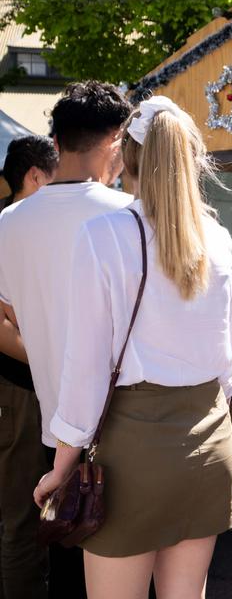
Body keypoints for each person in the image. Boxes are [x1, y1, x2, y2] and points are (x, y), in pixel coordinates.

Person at [32, 96, 232, 597]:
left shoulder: (103, 236)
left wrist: (61, 468)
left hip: (132, 457)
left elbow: (83, 370)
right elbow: (226, 364)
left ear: (126, 157)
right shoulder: (220, 240)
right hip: (210, 445)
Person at [0, 81, 134, 599]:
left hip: (53, 421)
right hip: (125, 418)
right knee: (117, 564)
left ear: (56, 143)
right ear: (116, 142)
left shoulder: (10, 222)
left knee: (52, 545)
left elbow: (11, 312)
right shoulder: (128, 215)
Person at [0, 135, 57, 598]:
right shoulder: (6, 226)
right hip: (17, 390)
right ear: (35, 176)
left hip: (40, 388)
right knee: (21, 514)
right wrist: (55, 359)